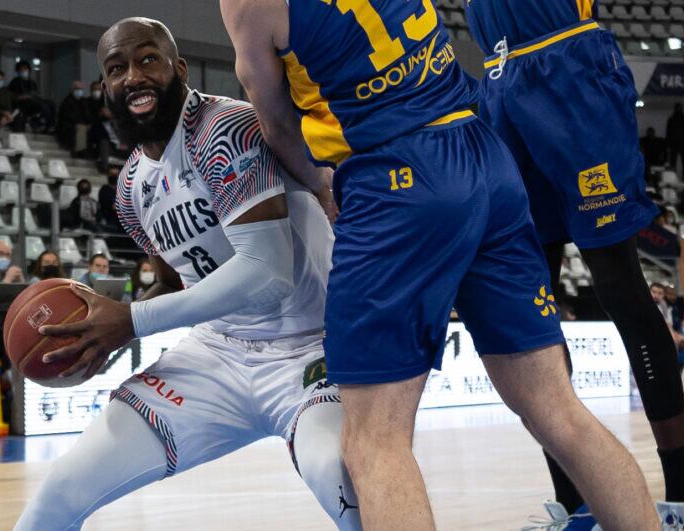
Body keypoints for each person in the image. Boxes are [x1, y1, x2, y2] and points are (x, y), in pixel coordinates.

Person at [221, 1, 659, 529]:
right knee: (557, 409)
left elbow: (273, 122)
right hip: (482, 153)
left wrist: (319, 185)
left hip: (395, 177)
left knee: (373, 440)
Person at [15, 19, 359, 530]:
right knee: (61, 490)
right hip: (218, 354)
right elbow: (175, 283)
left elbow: (268, 273)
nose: (132, 76)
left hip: (312, 346)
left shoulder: (224, 130)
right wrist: (97, 334)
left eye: (146, 59)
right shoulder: (130, 189)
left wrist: (130, 319)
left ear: (178, 68)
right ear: (104, 88)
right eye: (116, 69)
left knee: (340, 478)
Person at [464, 2, 684, 523]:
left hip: (566, 63)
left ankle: (679, 495)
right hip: (499, 76)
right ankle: (574, 504)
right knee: (527, 308)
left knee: (620, 289)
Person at [8, 60, 57, 133]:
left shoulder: (32, 82)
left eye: (25, 69)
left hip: (33, 100)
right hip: (22, 103)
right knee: (42, 106)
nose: (24, 71)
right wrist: (23, 96)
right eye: (22, 69)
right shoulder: (15, 82)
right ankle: (42, 124)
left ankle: (51, 125)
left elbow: (35, 93)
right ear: (18, 71)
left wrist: (32, 96)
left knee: (51, 103)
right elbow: (11, 96)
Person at [56, 80, 94, 156]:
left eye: (80, 89)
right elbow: (65, 118)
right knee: (80, 128)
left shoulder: (84, 101)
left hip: (83, 125)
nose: (79, 91)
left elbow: (88, 115)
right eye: (77, 89)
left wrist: (89, 124)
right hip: (69, 126)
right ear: (73, 90)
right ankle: (80, 151)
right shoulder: (67, 102)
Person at [668, 103, 684, 174]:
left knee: (674, 162)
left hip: (679, 143)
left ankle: (676, 176)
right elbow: (668, 132)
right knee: (673, 162)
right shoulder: (672, 119)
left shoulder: (672, 119)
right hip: (677, 143)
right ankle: (673, 176)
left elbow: (668, 132)